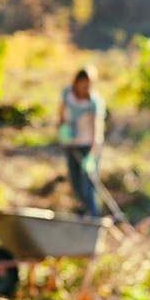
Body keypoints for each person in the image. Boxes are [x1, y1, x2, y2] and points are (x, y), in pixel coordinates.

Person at [58, 66, 105, 218]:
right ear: (77, 82)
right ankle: (82, 214)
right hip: (71, 144)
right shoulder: (67, 94)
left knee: (89, 184)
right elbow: (61, 117)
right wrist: (64, 132)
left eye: (89, 85)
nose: (86, 88)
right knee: (76, 183)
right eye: (83, 84)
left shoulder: (94, 102)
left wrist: (91, 157)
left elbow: (97, 133)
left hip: (88, 146)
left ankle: (94, 218)